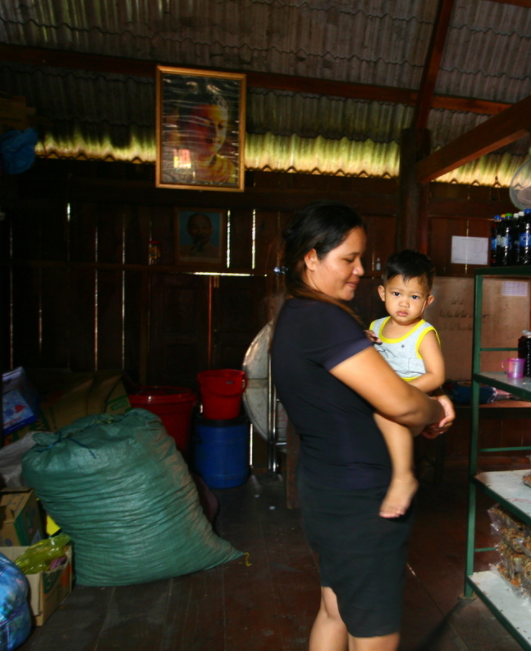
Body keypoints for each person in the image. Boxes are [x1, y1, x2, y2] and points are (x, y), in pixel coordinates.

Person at [270, 201, 454, 651]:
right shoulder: (325, 319)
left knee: (335, 610)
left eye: (361, 259)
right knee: (372, 632)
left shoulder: (296, 314)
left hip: (326, 487)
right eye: (348, 259)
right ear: (311, 257)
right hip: (362, 500)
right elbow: (401, 404)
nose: (359, 271)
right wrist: (438, 410)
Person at [367, 250, 444, 519]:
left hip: (412, 399)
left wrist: (403, 391)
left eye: (414, 297)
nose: (404, 303)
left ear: (427, 301)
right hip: (387, 395)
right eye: (396, 293)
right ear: (382, 292)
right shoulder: (375, 326)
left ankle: (404, 476)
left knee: (386, 412)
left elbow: (436, 376)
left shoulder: (423, 334)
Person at [163, 82, 238, 186]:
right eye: (205, 125)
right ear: (183, 125)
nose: (215, 134)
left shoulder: (228, 168)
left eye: (221, 126)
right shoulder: (173, 164)